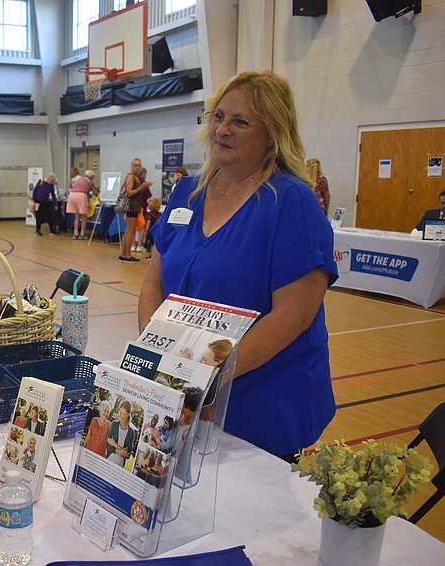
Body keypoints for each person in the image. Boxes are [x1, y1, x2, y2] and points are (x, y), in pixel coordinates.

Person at [138, 70, 338, 460]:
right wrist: (155, 354)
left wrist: (207, 378)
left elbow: (293, 317)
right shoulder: (186, 192)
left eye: (240, 121)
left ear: (273, 133)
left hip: (259, 405)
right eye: (217, 116)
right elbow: (152, 284)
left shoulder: (291, 202)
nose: (222, 129)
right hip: (182, 397)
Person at [119, 159, 152, 262]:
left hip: (135, 206)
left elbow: (137, 193)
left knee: (129, 231)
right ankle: (127, 255)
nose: (137, 167)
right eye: (135, 165)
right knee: (130, 231)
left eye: (139, 165)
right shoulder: (130, 177)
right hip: (131, 207)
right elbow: (129, 193)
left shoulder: (137, 178)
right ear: (132, 166)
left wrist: (144, 187)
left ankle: (124, 254)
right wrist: (142, 187)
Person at [67, 170, 98, 239]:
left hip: (72, 195)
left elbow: (72, 186)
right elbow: (95, 193)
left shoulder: (78, 179)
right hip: (81, 196)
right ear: (91, 177)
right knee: (84, 216)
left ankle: (75, 233)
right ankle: (82, 234)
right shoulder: (90, 181)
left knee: (76, 216)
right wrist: (99, 196)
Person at [106, 400, 135, 468]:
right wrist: (119, 450)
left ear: (128, 414)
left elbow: (127, 454)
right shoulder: (114, 424)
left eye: (124, 414)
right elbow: (107, 444)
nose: (121, 416)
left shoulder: (131, 432)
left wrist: (113, 443)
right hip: (109, 459)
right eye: (121, 413)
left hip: (120, 465)